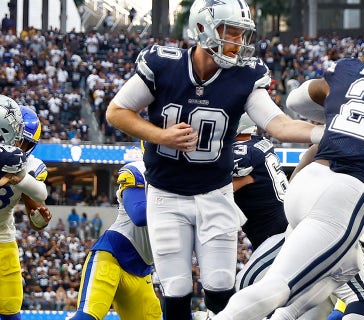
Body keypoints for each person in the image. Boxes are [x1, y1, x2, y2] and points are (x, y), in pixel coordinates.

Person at [212, 24, 364, 320]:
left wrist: (340, 122)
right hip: (342, 198)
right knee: (278, 288)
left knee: (352, 290)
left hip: (305, 182)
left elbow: (296, 101)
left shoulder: (349, 70)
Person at [104, 0, 323, 318]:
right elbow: (116, 112)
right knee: (176, 291)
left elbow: (280, 124)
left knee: (221, 288)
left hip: (215, 194)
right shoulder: (163, 63)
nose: (238, 43)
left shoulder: (244, 76)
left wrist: (323, 133)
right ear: (203, 28)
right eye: (230, 32)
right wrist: (161, 136)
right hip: (166, 194)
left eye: (241, 34)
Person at [70, 161, 162, 320]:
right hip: (112, 256)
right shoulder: (139, 170)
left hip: (141, 269)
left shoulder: (188, 181)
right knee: (88, 316)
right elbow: (139, 214)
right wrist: (180, 204)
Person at [0, 99, 50, 320]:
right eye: (18, 141)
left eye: (25, 144)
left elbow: (36, 209)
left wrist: (39, 219)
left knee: (11, 310)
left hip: (3, 237)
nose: (19, 148)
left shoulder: (30, 167)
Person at [232, 113, 288, 249]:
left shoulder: (244, 152)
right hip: (280, 216)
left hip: (268, 227)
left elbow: (224, 188)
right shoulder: (260, 142)